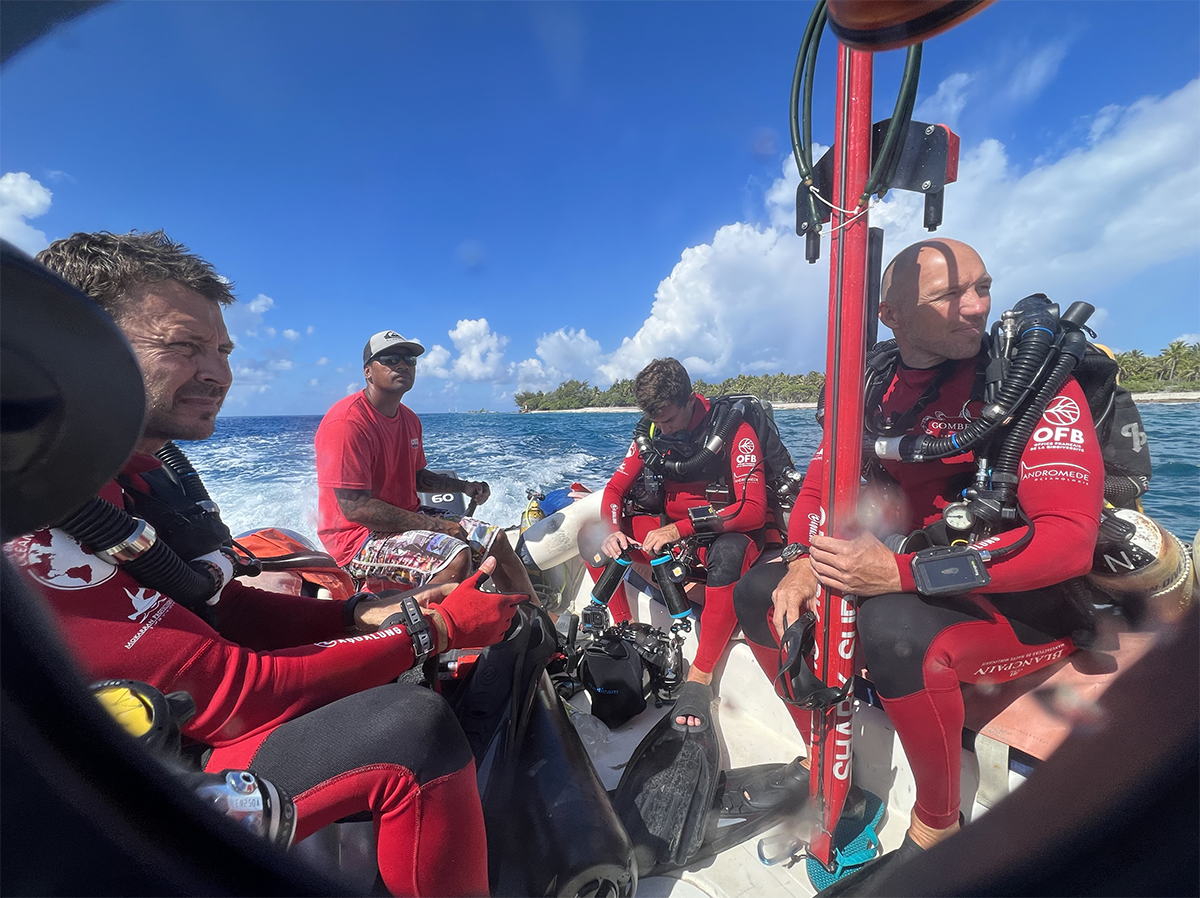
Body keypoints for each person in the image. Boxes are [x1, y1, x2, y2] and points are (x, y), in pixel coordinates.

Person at [14, 230, 524, 898]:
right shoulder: (33, 515)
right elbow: (232, 692)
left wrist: (355, 614)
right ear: (75, 345)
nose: (219, 374)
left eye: (223, 350)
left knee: (467, 569)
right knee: (413, 726)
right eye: (185, 345)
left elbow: (213, 600)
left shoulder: (139, 474)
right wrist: (436, 629)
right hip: (135, 788)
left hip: (187, 711)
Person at [733, 238, 1104, 890]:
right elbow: (820, 487)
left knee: (894, 630)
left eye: (982, 288)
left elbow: (1069, 540)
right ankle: (827, 765)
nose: (975, 307)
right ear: (891, 315)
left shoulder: (1031, 379)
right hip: (906, 564)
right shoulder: (870, 384)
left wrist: (903, 574)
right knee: (759, 590)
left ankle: (937, 828)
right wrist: (804, 560)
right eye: (948, 295)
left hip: (1023, 594)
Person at [589, 358, 770, 731]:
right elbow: (615, 488)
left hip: (722, 532)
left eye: (670, 419)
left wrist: (681, 529)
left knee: (731, 554)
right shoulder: (652, 431)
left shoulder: (734, 429)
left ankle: (700, 675)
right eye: (656, 421)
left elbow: (753, 509)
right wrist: (612, 530)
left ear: (690, 399)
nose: (664, 428)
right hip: (673, 533)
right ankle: (627, 633)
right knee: (592, 537)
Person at [315, 332, 537, 600]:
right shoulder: (347, 423)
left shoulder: (410, 420)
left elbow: (417, 477)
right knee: (456, 557)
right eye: (391, 359)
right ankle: (434, 626)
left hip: (405, 516)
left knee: (495, 540)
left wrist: (464, 487)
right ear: (368, 371)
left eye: (409, 360)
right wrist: (438, 526)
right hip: (356, 538)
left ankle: (535, 619)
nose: (402, 365)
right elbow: (356, 508)